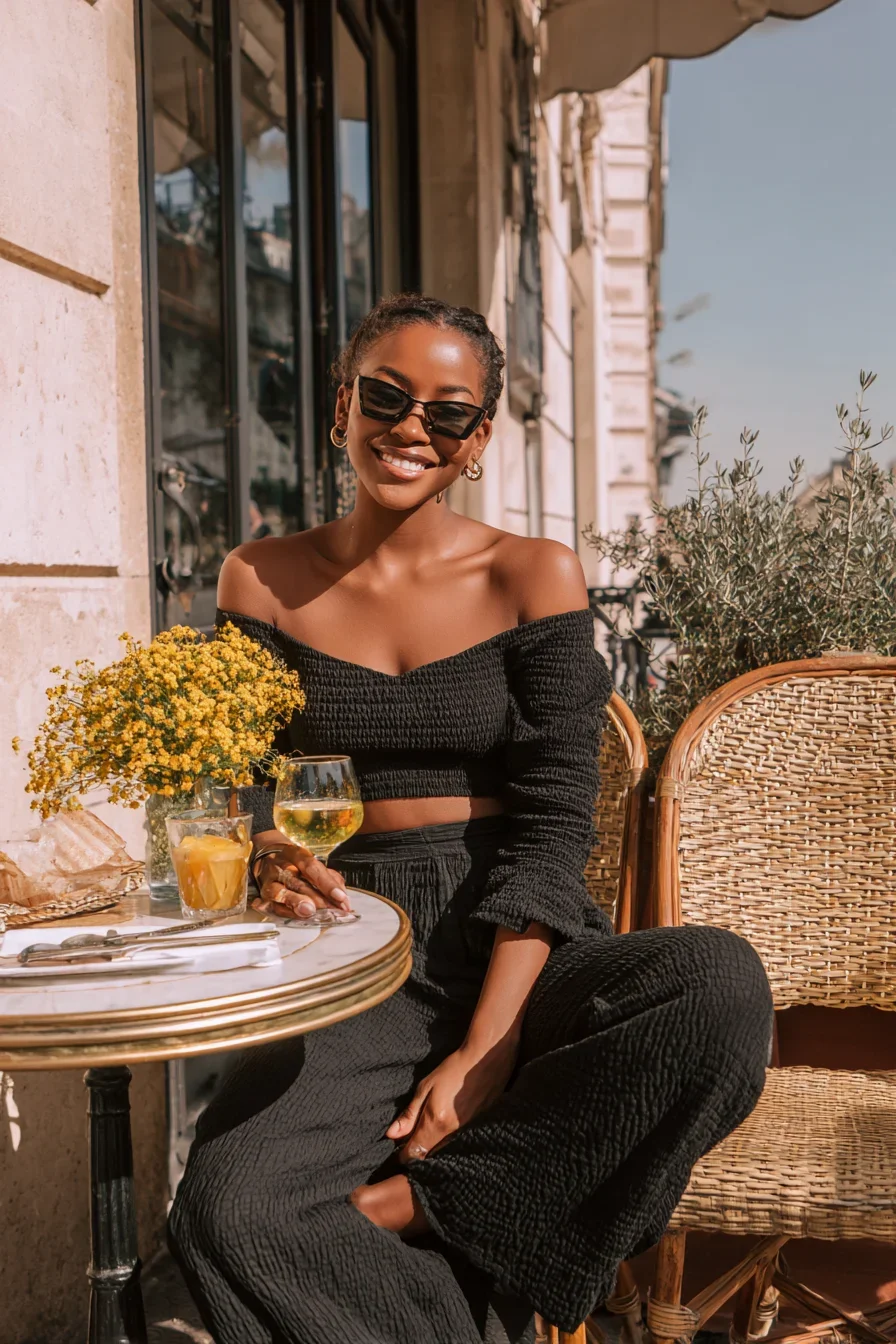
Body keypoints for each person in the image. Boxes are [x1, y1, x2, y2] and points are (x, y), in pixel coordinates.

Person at [168, 294, 772, 1344]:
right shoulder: (259, 577)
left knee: (716, 988)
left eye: (447, 413)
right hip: (349, 934)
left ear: (479, 439)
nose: (412, 429)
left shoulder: (530, 573)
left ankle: (426, 1205)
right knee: (227, 1205)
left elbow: (548, 828)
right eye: (387, 398)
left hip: (510, 925)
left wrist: (486, 1050)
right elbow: (241, 786)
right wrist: (264, 845)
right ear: (340, 406)